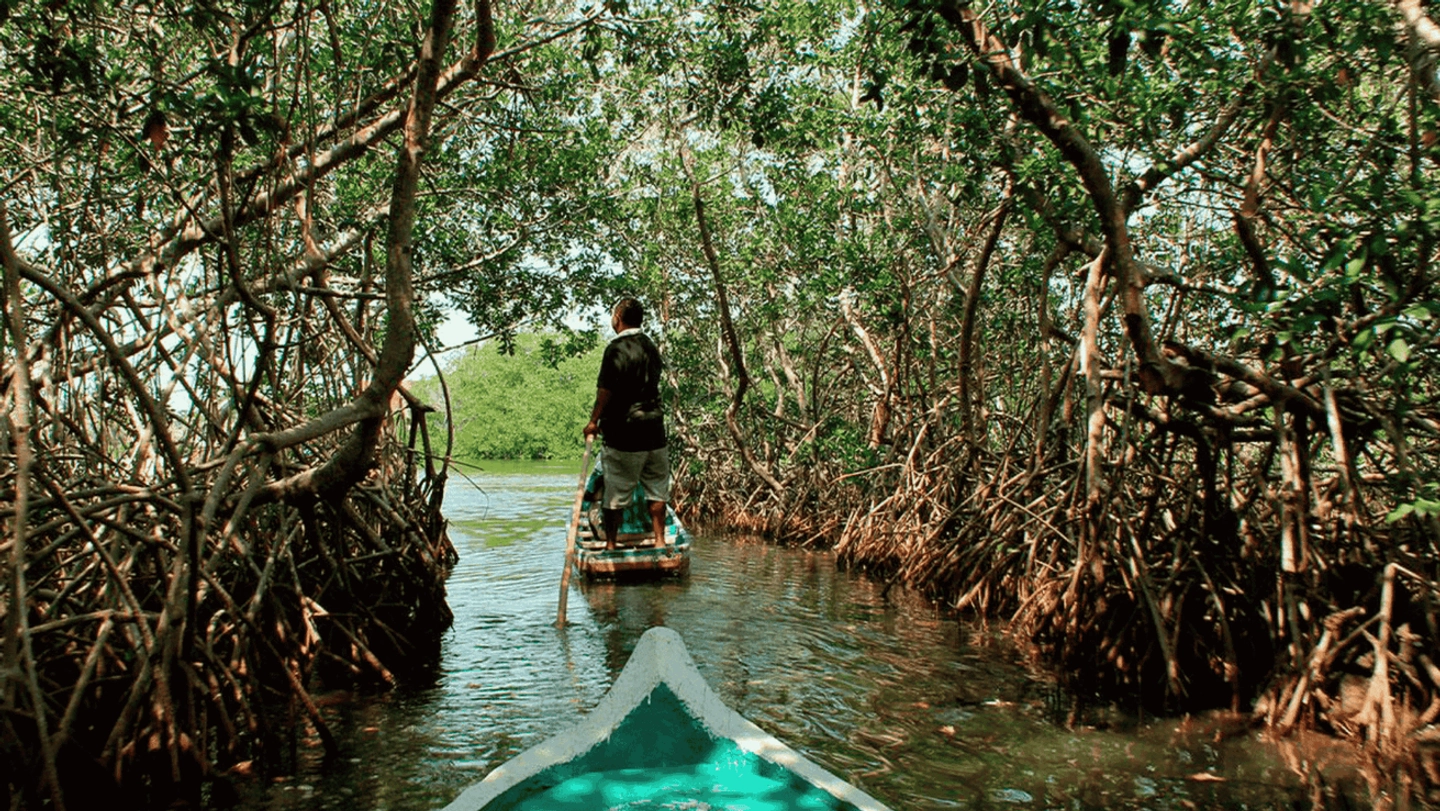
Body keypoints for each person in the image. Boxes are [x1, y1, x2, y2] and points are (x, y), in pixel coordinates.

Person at [583, 297, 670, 550]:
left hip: (624, 434)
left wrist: (593, 422)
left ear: (618, 318)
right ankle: (660, 542)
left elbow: (605, 390)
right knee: (657, 490)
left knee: (615, 495)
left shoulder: (616, 349)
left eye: (613, 315)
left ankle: (610, 546)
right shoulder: (650, 347)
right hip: (655, 432)